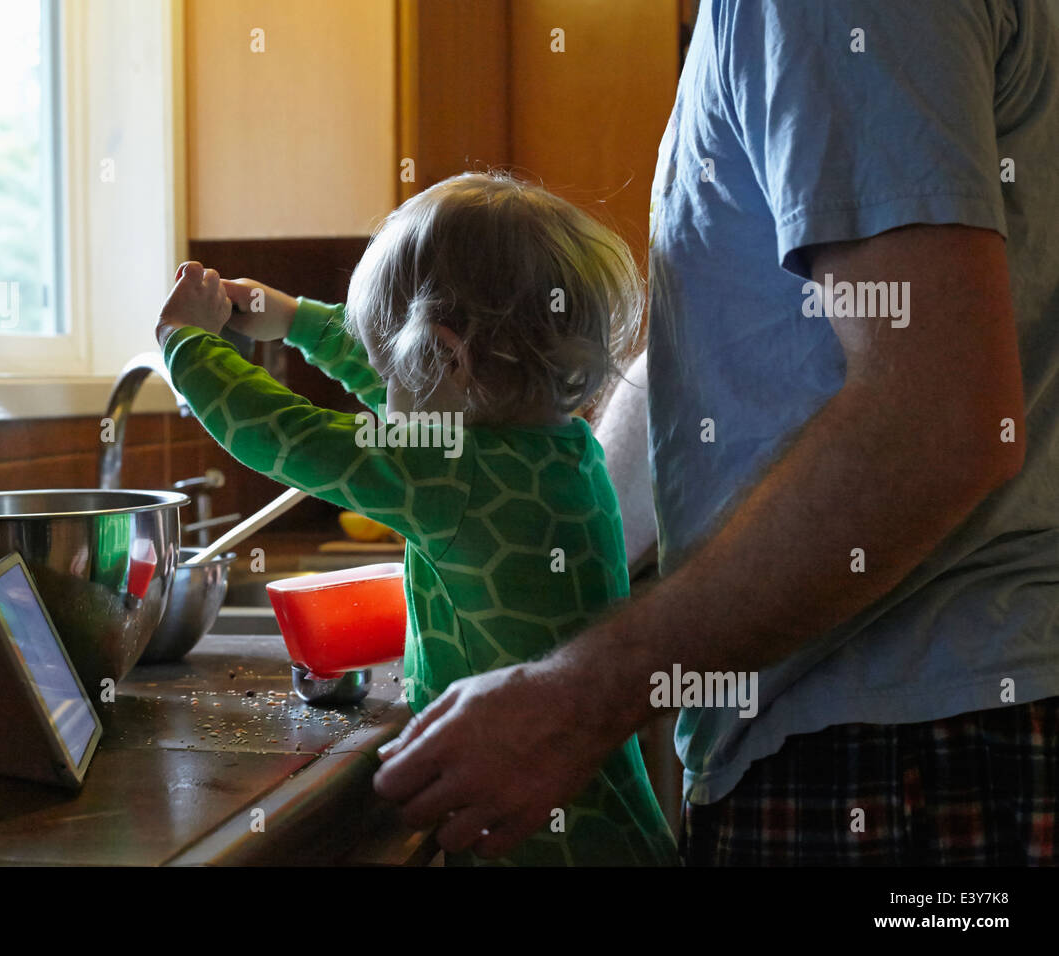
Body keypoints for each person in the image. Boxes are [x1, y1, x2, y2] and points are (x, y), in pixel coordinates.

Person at [373, 0, 1059, 864]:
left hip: (901, 755)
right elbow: (723, 346)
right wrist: (535, 580)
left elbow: (942, 420)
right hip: (916, 729)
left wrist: (578, 696)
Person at [153, 172, 679, 866]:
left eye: (389, 362)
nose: (382, 388)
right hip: (603, 830)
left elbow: (285, 436)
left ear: (443, 353)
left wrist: (186, 346)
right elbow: (421, 395)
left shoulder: (453, 474)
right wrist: (297, 320)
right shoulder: (552, 447)